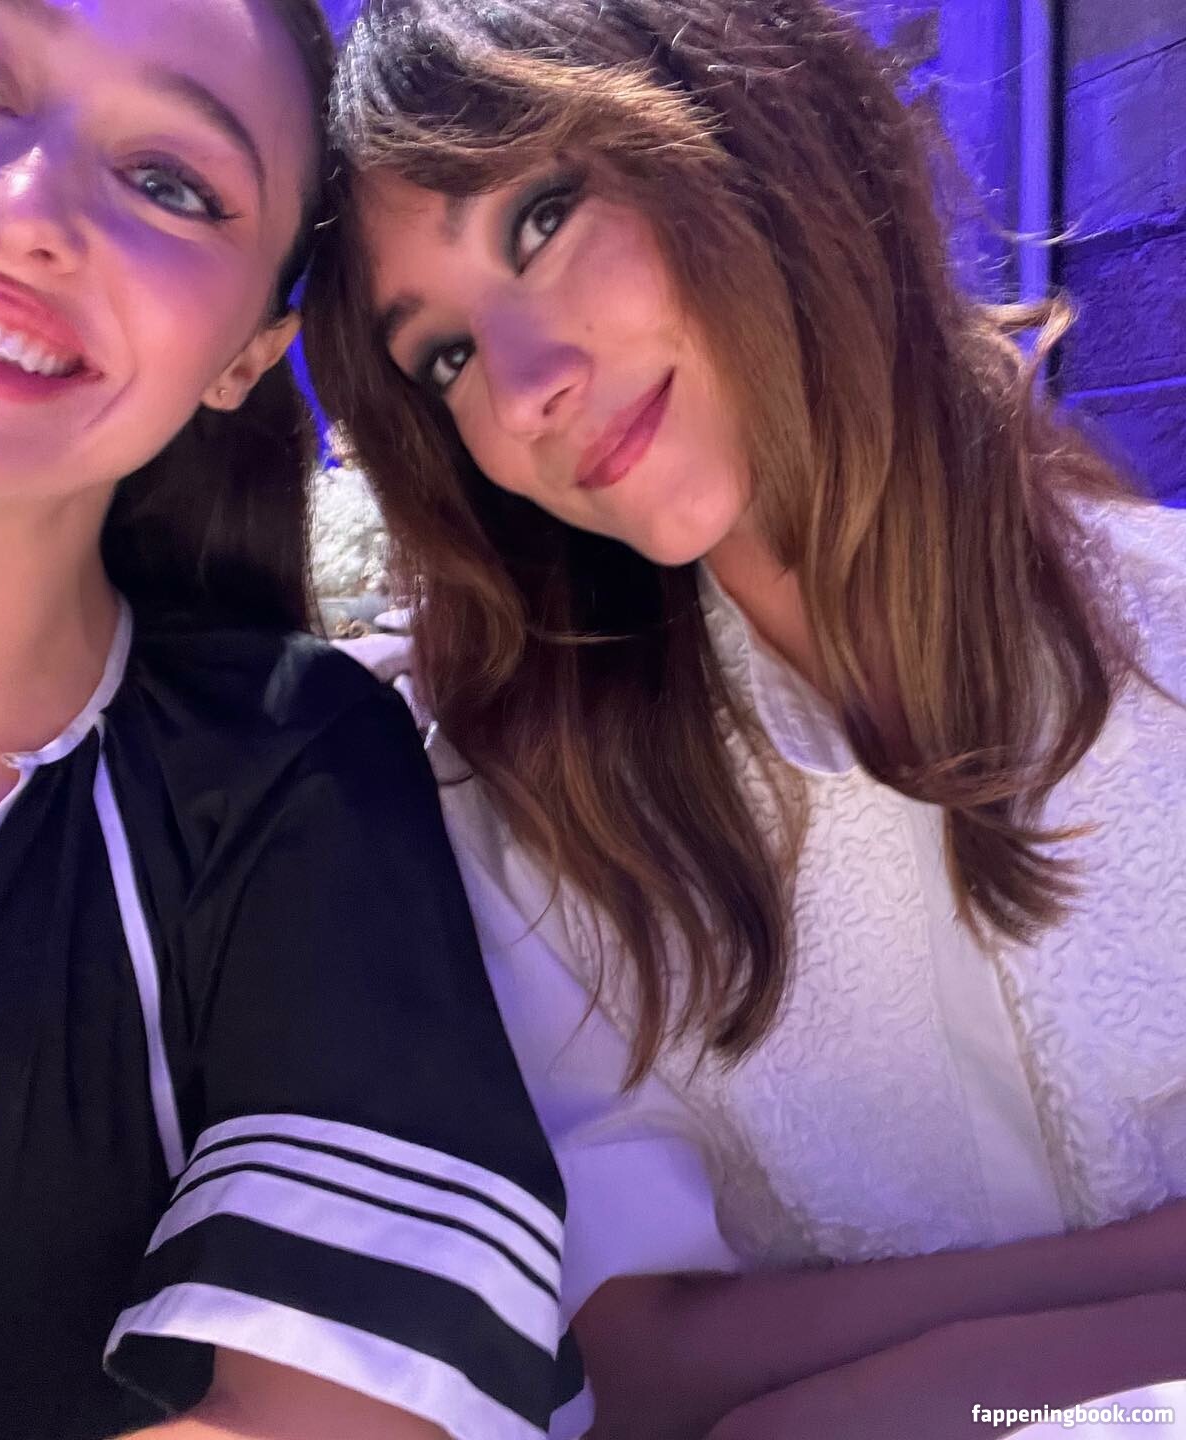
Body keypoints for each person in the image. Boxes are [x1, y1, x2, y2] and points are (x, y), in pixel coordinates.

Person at [300, 0, 1186, 1434]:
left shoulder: (1167, 638)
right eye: (445, 357)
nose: (524, 390)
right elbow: (643, 1364)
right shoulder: (532, 805)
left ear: (743, 130)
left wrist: (888, 1397)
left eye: (543, 220)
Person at [0, 0, 584, 1436]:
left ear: (249, 352)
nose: (24, 211)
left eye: (171, 183)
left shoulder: (292, 768)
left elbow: (332, 1414)